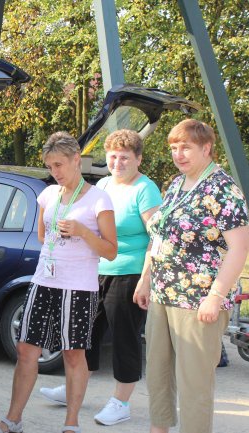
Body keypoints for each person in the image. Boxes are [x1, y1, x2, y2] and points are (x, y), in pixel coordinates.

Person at [0, 131, 117, 433]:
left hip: (79, 288)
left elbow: (110, 250)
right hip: (43, 282)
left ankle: (71, 424)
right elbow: (44, 237)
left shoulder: (99, 198)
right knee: (26, 350)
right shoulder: (48, 194)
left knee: (73, 354)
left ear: (75, 160)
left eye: (59, 165)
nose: (54, 172)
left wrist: (83, 232)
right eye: (50, 166)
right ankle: (12, 420)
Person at [133, 119, 249, 433]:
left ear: (206, 148)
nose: (178, 154)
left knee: (194, 384)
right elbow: (160, 236)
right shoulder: (177, 183)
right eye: (174, 148)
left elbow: (239, 248)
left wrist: (216, 296)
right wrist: (146, 279)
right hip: (162, 292)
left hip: (198, 300)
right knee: (157, 374)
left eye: (186, 147)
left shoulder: (222, 188)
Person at [40, 130, 162, 426]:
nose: (117, 162)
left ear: (138, 159)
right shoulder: (104, 184)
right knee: (86, 334)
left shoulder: (145, 189)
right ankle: (73, 390)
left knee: (124, 337)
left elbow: (157, 238)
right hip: (95, 272)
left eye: (124, 157)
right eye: (112, 156)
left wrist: (146, 279)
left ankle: (121, 402)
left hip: (129, 272)